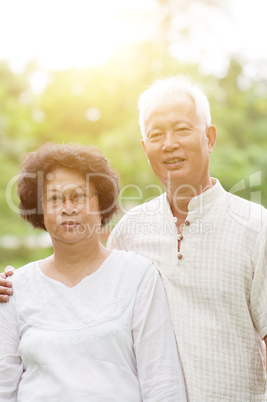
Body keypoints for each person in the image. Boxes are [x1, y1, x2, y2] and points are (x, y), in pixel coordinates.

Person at [1, 75, 267, 400]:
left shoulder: (257, 227)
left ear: (209, 138)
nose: (169, 143)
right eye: (156, 134)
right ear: (145, 147)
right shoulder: (130, 230)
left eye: (182, 129)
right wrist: (14, 287)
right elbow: (93, 290)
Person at [0, 143, 187, 401]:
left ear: (102, 202)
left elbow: (162, 382)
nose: (68, 207)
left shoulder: (138, 276)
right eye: (54, 198)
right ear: (39, 210)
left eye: (78, 196)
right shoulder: (14, 287)